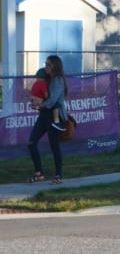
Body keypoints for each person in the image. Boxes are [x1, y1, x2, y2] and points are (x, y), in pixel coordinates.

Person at [27, 55, 69, 185]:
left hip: (54, 116)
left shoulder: (58, 80)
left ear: (55, 66)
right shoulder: (45, 79)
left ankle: (58, 175)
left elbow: (52, 101)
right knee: (31, 143)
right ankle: (39, 173)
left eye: (48, 64)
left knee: (54, 146)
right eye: (45, 64)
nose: (45, 67)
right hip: (44, 115)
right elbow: (39, 94)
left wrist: (40, 104)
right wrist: (34, 101)